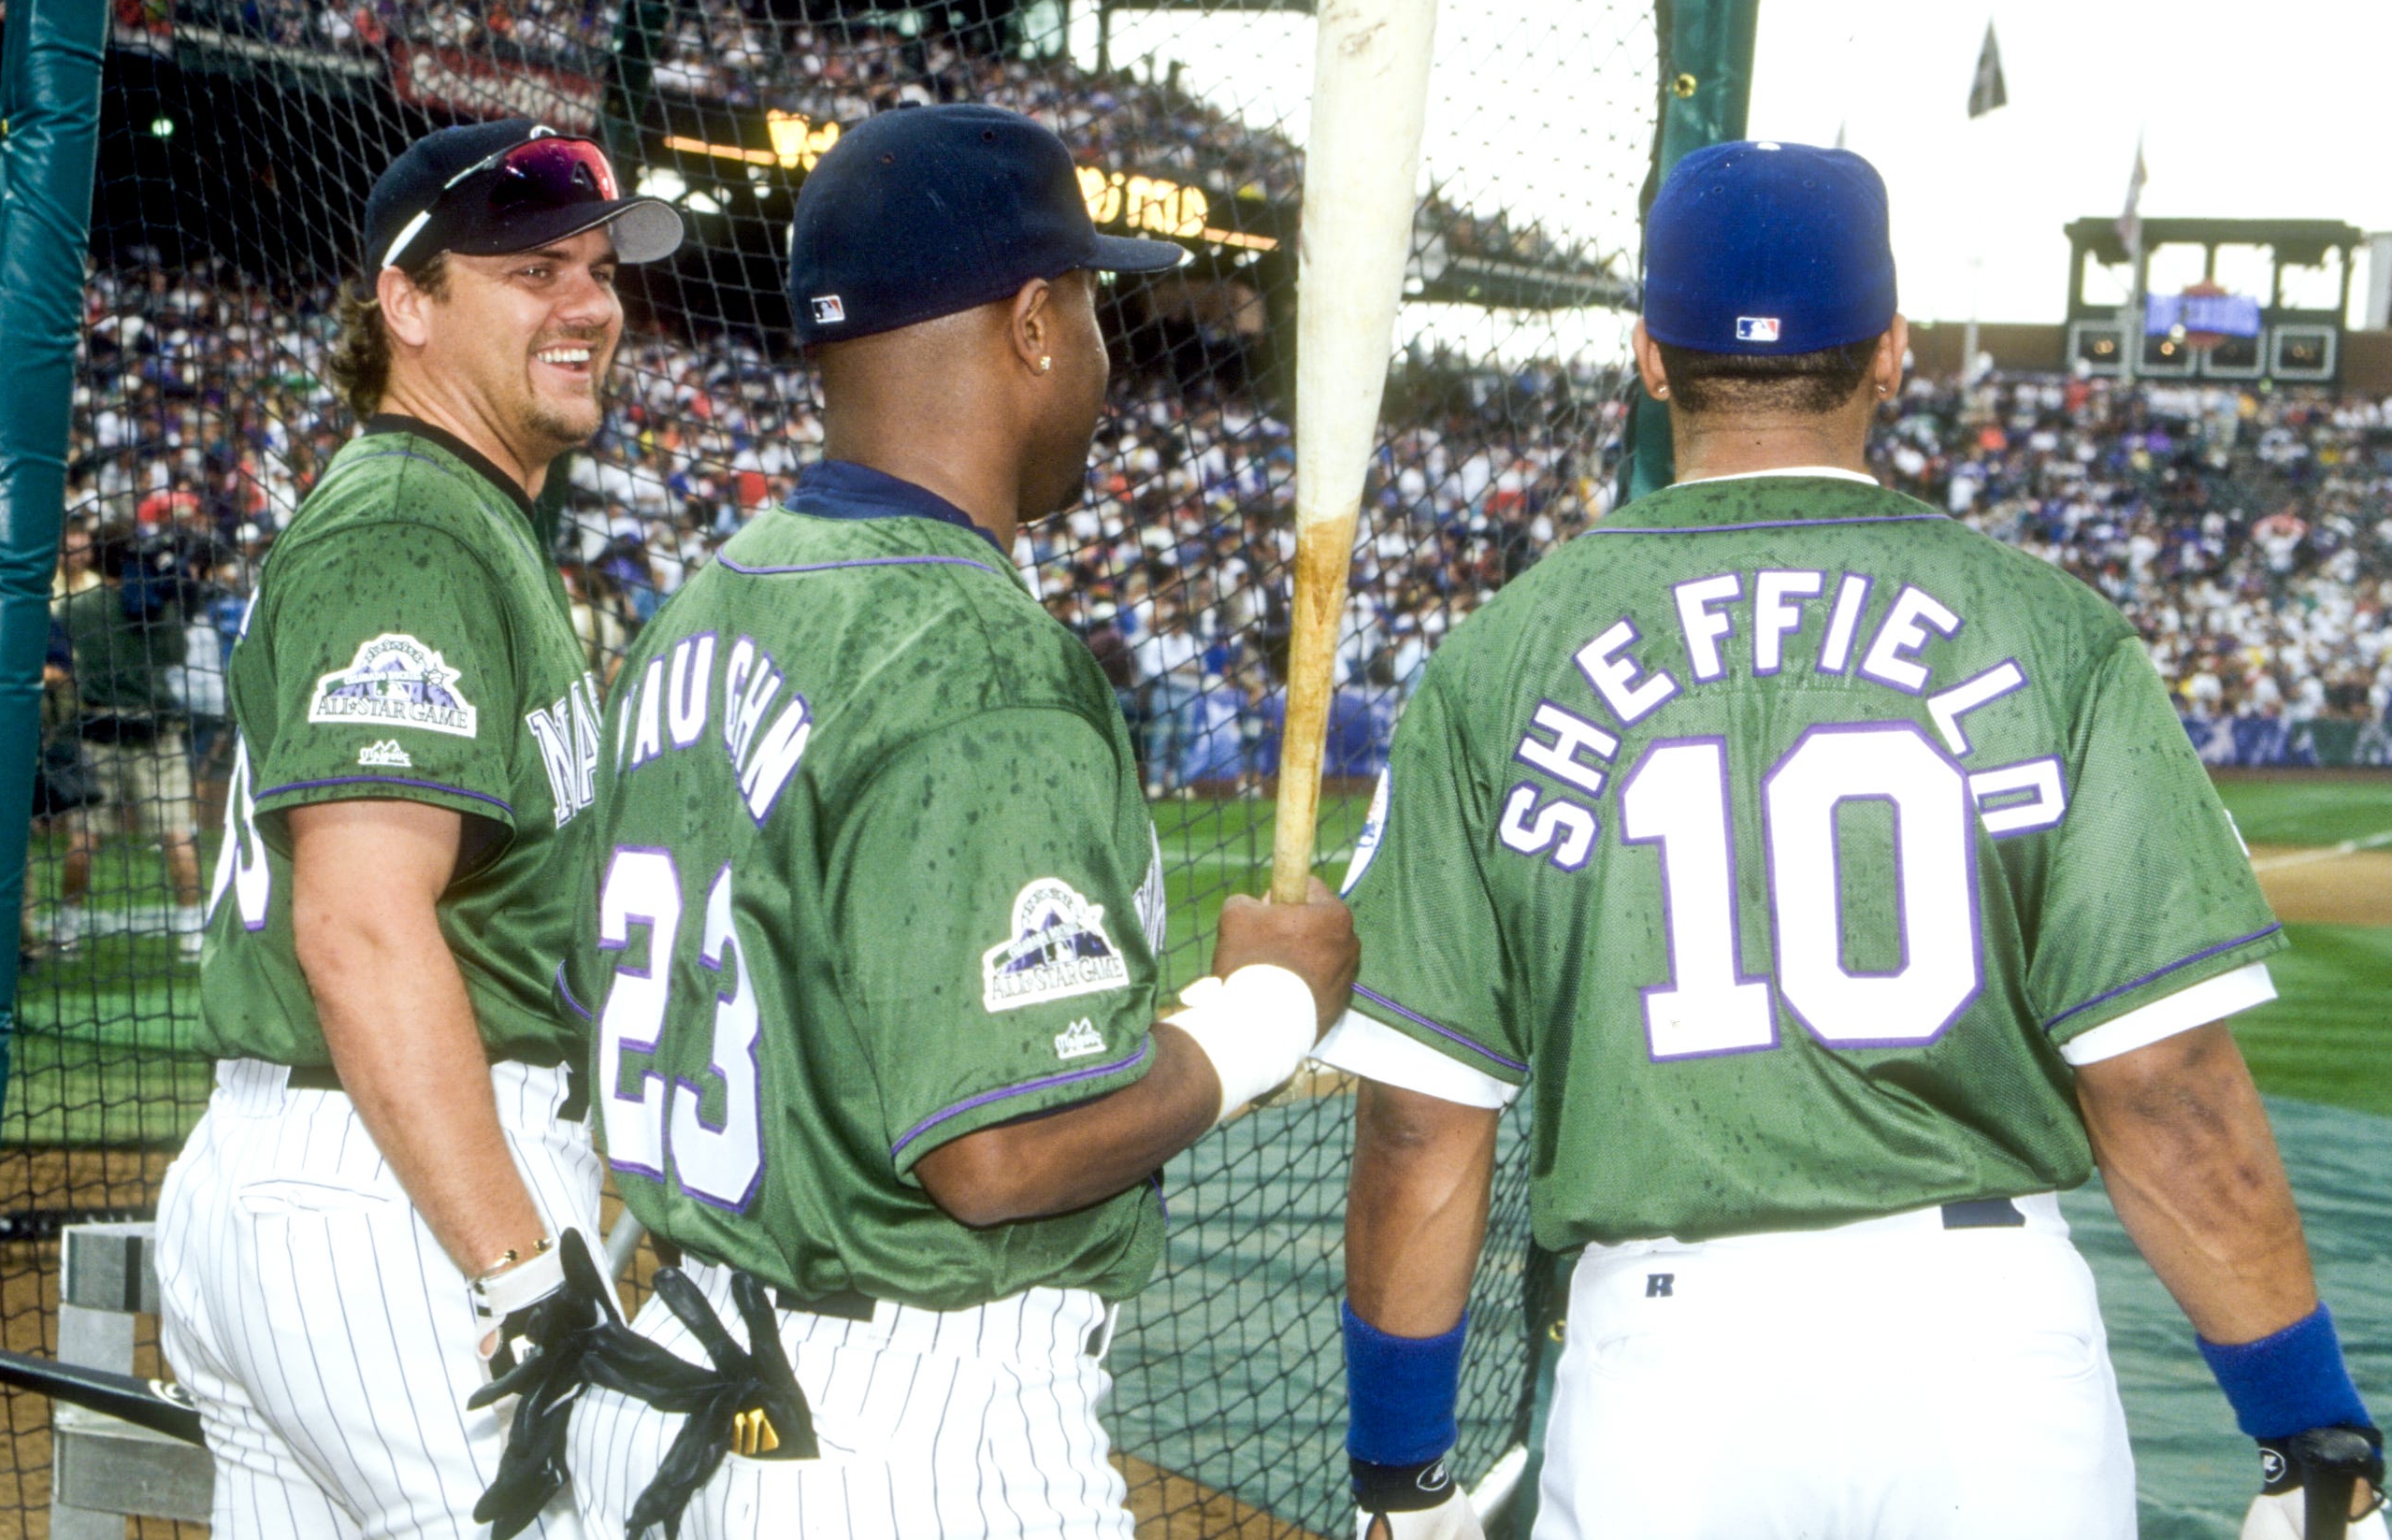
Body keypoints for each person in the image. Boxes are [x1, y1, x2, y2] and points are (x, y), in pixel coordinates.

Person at [1318, 142, 2382, 1540]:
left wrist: (1399, 1466)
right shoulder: (2050, 635)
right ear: (1890, 348)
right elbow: (2166, 1085)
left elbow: (1421, 1116)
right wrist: (2306, 1430)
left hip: (1662, 1364)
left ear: (1649, 355)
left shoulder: (1494, 660)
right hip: (1989, 1353)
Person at [548, 104, 1361, 1540]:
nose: (1111, 360)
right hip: (905, 1425)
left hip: (686, 1375)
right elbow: (997, 1156)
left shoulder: (707, 597)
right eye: (1097, 308)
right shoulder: (970, 652)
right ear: (1035, 324)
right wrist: (1265, 1017)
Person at [151, 118, 682, 1540]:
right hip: (389, 1204)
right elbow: (360, 923)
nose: (588, 303)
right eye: (529, 271)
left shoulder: (455, 514)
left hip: (328, 1177)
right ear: (408, 302)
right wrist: (518, 1267)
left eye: (597, 268)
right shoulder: (412, 527)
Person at [56, 526, 207, 958]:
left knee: (84, 838)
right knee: (177, 834)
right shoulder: (159, 608)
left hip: (98, 732)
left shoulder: (76, 609)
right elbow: (175, 655)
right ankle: (191, 932)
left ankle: (66, 930)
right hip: (155, 735)